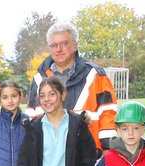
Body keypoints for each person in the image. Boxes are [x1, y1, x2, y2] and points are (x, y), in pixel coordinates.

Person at [25, 22, 118, 151]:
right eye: (54, 45)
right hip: (50, 155)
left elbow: (108, 113)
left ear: (75, 45)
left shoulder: (96, 75)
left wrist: (108, 148)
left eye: (64, 43)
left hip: (87, 152)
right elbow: (32, 118)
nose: (58, 49)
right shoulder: (38, 79)